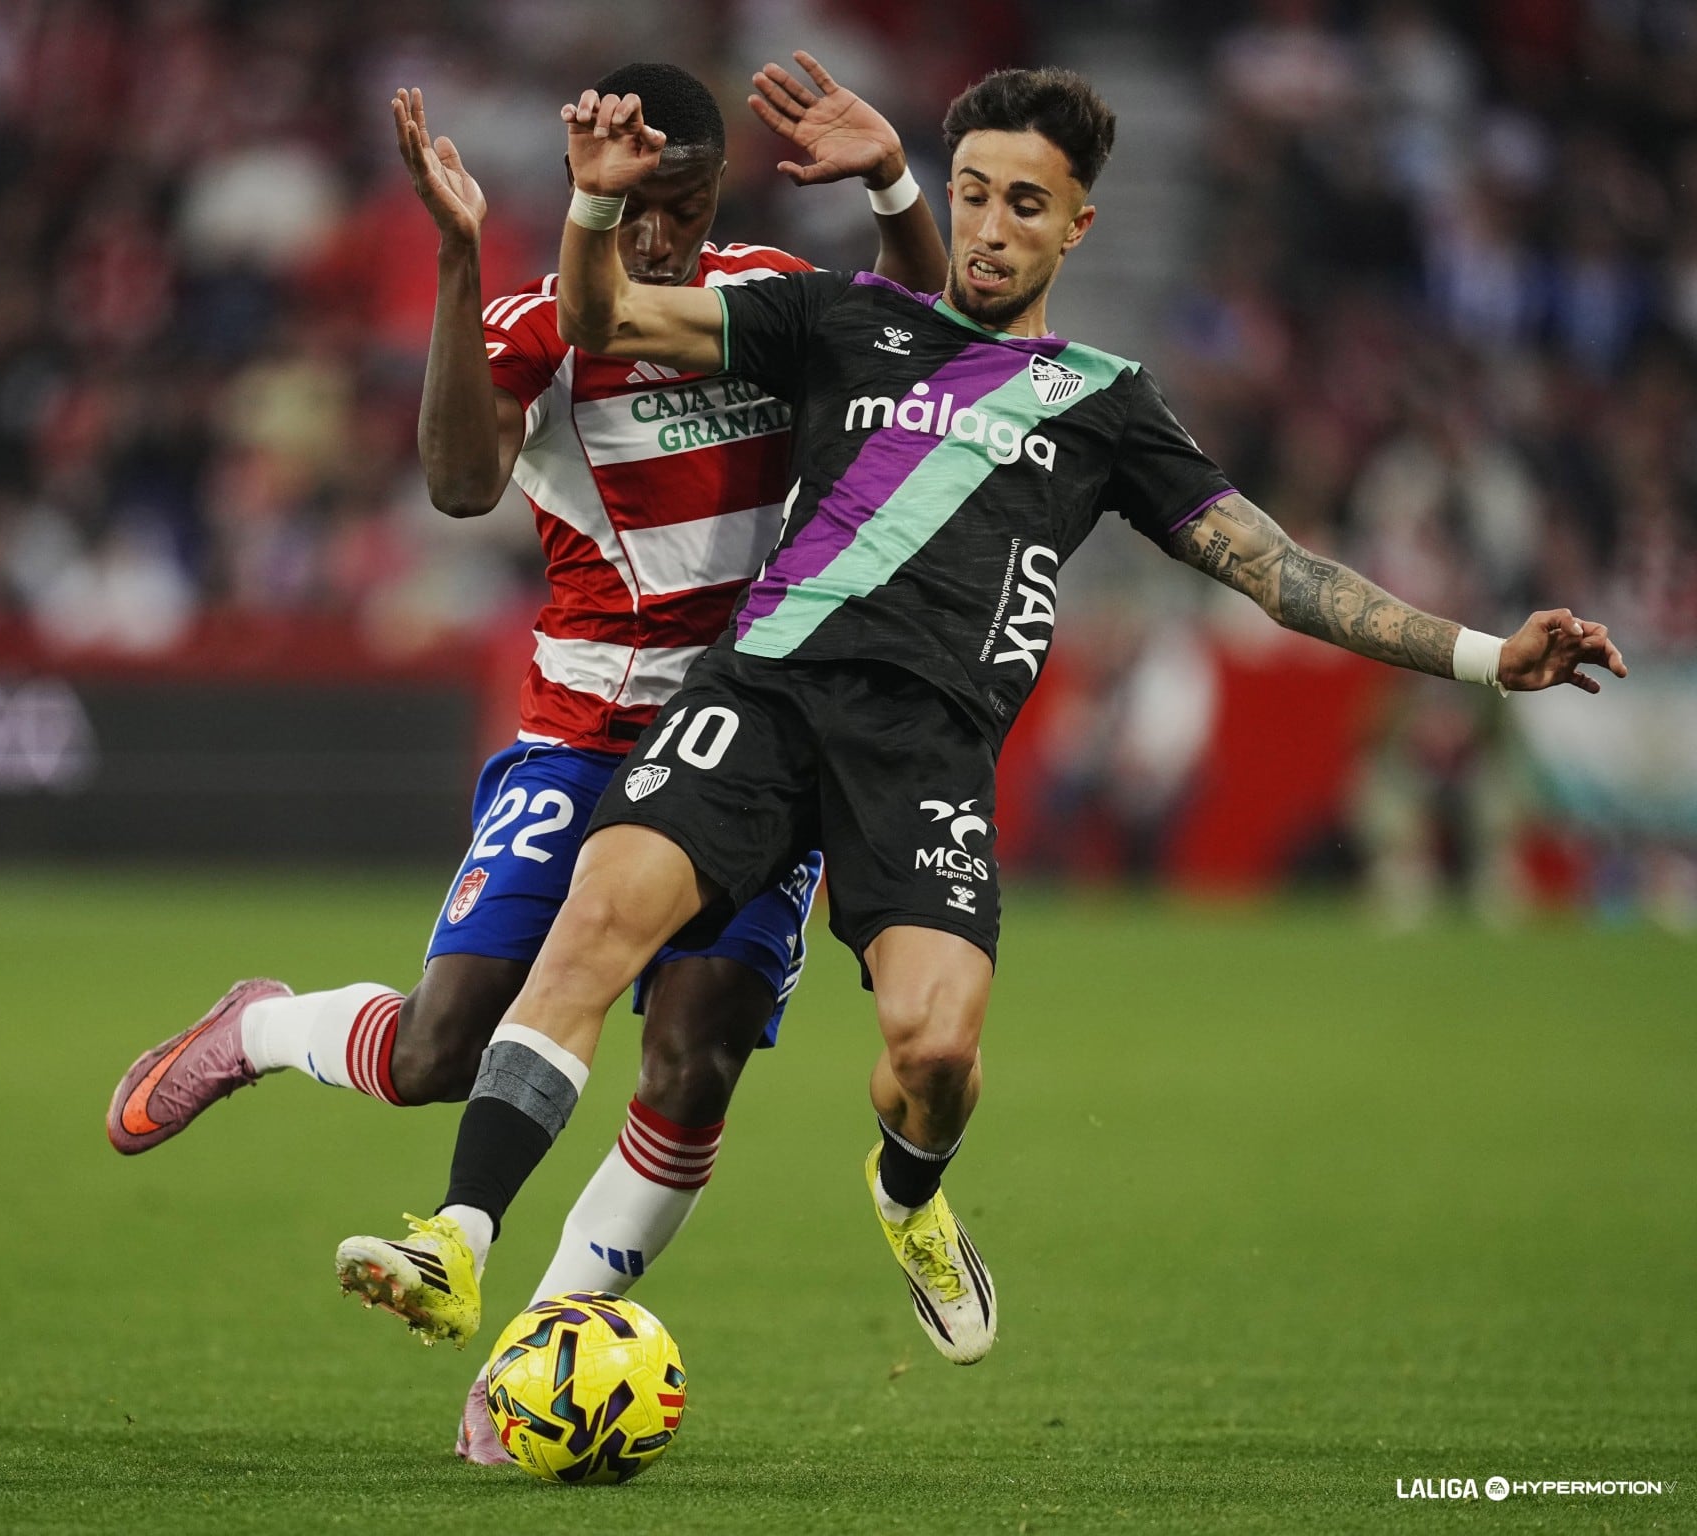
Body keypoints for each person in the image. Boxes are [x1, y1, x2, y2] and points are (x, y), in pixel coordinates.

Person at [337, 65, 1628, 1370]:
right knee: (592, 933)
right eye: (973, 195)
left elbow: (1280, 571)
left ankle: (908, 1196)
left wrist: (1485, 654)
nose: (994, 227)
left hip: (926, 752)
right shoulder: (838, 318)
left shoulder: (1105, 402)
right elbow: (605, 314)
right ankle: (459, 1235)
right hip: (760, 694)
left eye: (1026, 203)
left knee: (935, 1051)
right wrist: (597, 206)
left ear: (1077, 227)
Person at [105, 56, 947, 1459]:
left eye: (686, 205)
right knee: (444, 1046)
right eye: (636, 206)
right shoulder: (535, 325)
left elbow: (923, 344)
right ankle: (259, 1028)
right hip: (585, 735)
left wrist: (893, 183)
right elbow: (456, 485)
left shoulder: (766, 302)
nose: (661, 237)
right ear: (582, 187)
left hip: (754, 745)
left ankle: (531, 1356)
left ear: (718, 195)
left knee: (696, 1055)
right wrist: (455, 258)